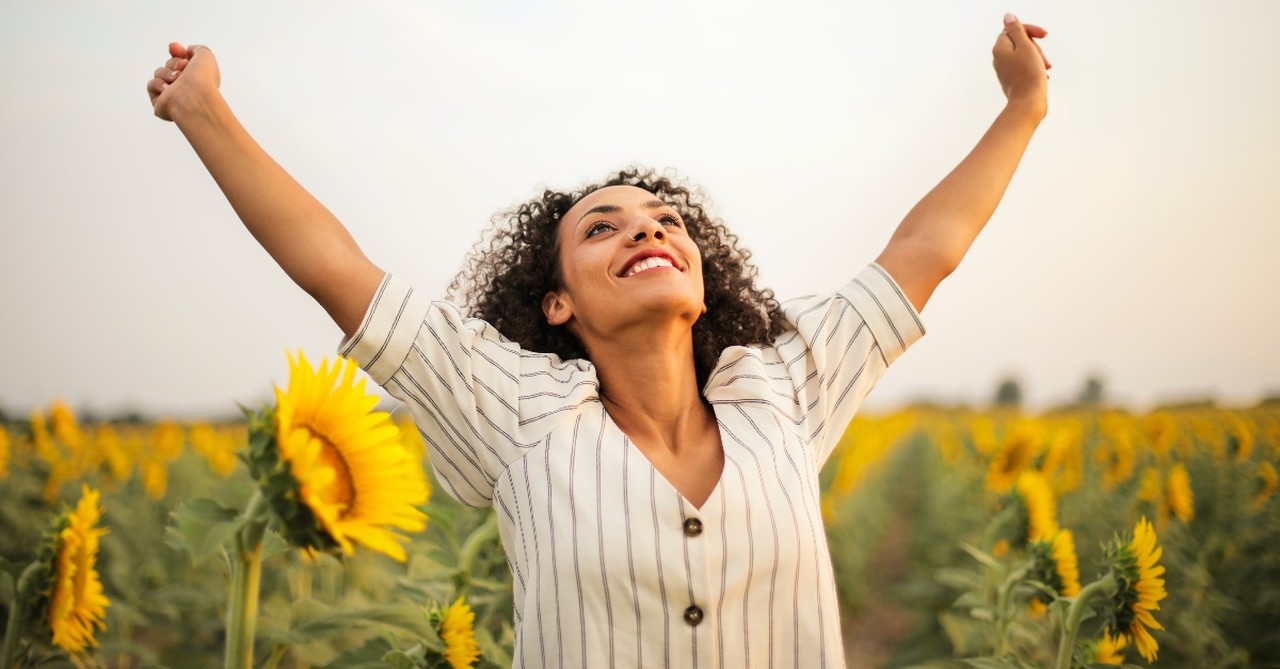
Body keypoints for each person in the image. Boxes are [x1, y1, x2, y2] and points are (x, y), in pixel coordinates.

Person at [147, 13, 1050, 667]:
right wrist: (204, 110)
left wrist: (1022, 108)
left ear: (703, 279)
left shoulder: (782, 387)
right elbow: (336, 270)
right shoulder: (516, 414)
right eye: (602, 229)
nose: (648, 232)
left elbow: (924, 253)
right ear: (555, 306)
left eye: (665, 222)